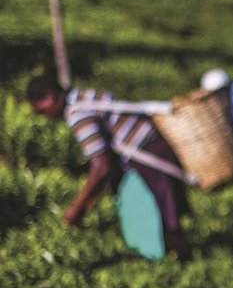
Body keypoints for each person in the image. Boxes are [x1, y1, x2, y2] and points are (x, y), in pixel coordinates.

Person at [27, 74, 191, 260]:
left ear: (49, 97)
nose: (45, 116)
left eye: (41, 111)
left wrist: (77, 208)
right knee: (166, 212)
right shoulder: (84, 95)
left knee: (165, 217)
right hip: (155, 146)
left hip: (147, 153)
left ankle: (182, 262)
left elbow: (102, 164)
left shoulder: (77, 113)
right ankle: (177, 256)